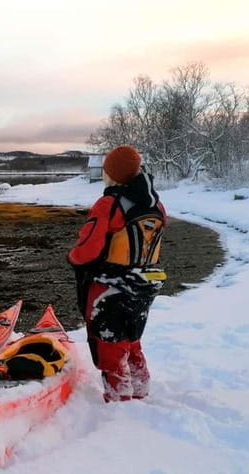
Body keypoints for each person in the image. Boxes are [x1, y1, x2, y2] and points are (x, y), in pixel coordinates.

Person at [68, 145, 167, 402]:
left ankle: (119, 403)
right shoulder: (157, 206)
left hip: (110, 285)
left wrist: (72, 257)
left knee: (110, 342)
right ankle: (140, 388)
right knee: (131, 338)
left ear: (111, 173)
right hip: (144, 284)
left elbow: (87, 249)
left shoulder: (109, 204)